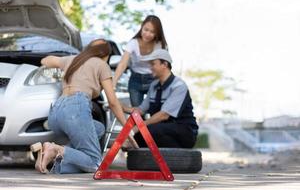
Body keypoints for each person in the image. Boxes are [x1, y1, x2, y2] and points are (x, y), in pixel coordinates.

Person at [30, 39, 136, 174]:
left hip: (56, 113)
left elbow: (45, 60)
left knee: (99, 128)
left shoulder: (72, 60)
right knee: (96, 163)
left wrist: (62, 62)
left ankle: (55, 160)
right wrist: (127, 129)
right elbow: (113, 102)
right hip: (75, 112)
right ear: (106, 55)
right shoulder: (102, 65)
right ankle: (56, 149)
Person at [122, 49, 198, 148]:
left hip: (184, 132)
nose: (150, 68)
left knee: (147, 131)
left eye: (153, 64)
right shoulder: (154, 85)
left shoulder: (178, 86)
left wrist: (138, 127)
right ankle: (144, 160)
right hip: (162, 129)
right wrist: (121, 107)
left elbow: (163, 115)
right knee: (141, 135)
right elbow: (141, 110)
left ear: (164, 64)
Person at [113, 15, 168, 107]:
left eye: (152, 32)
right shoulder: (133, 43)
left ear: (157, 33)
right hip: (135, 81)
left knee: (155, 111)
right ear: (141, 27)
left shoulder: (160, 45)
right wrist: (113, 83)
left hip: (154, 81)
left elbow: (165, 67)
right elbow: (123, 63)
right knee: (137, 116)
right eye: (146, 30)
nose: (147, 34)